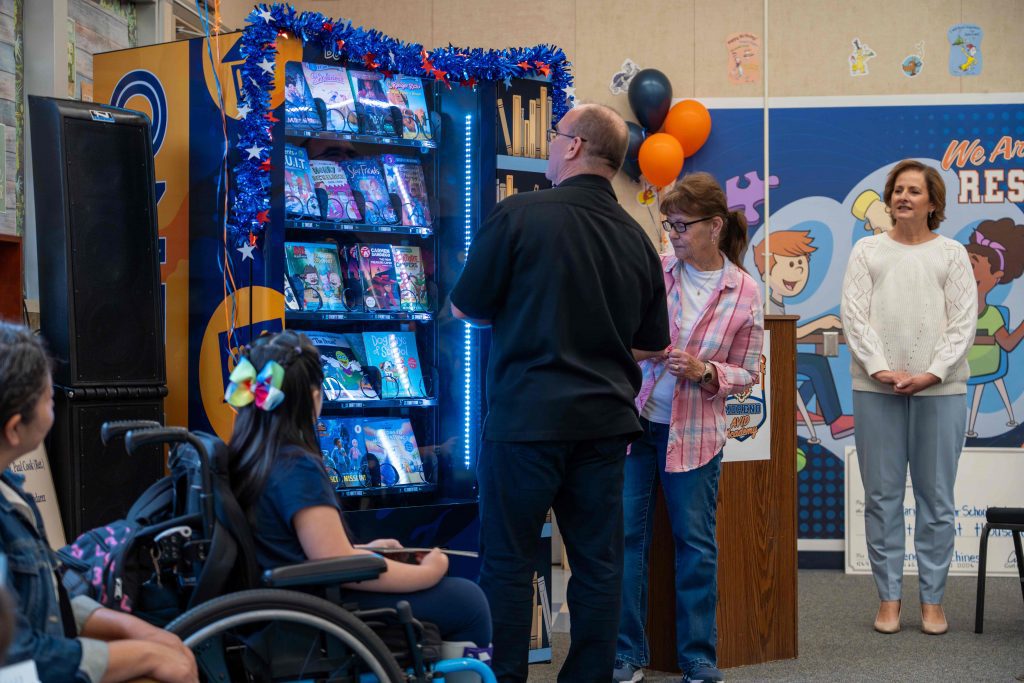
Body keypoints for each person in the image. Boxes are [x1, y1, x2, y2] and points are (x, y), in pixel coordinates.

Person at [450, 103, 670, 683]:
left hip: (525, 422)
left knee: (508, 564)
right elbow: (651, 344)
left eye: (554, 135)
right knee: (599, 567)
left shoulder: (518, 215)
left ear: (573, 147)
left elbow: (466, 306)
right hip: (604, 426)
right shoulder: (639, 239)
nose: (550, 145)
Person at [224, 330, 491, 653]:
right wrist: (429, 572)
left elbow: (309, 550)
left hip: (281, 602)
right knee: (469, 601)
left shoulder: (246, 454)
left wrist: (367, 550)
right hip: (316, 608)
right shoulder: (297, 466)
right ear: (312, 397)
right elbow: (337, 564)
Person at [614, 172, 764, 683]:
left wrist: (706, 372)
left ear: (715, 226)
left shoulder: (744, 291)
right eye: (668, 224)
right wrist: (650, 351)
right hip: (636, 426)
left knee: (695, 545)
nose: (673, 234)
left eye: (681, 224)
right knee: (626, 539)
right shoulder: (657, 272)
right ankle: (627, 654)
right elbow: (619, 341)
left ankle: (698, 658)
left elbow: (750, 373)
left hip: (696, 437)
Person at [0, 321, 198, 683]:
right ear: (15, 428)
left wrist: (135, 630)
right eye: (48, 397)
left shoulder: (9, 491)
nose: (54, 400)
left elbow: (48, 600)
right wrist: (146, 655)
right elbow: (18, 665)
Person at [840, 159, 976, 635]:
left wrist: (931, 373)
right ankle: (890, 598)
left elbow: (963, 323)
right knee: (881, 498)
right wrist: (880, 368)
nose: (903, 197)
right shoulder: (866, 250)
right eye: (898, 190)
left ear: (933, 202)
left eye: (914, 191)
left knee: (937, 499)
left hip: (941, 390)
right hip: (875, 388)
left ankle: (933, 601)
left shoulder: (953, 254)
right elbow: (854, 316)